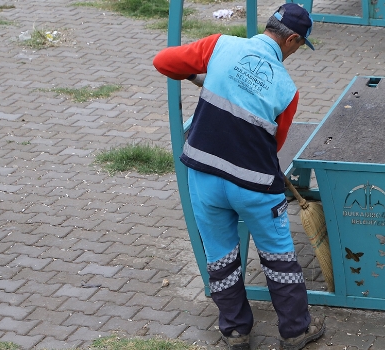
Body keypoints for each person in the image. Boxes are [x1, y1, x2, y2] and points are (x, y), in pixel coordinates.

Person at [153, 3, 325, 350]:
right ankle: (295, 331)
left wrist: (198, 75)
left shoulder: (221, 46)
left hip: (205, 177)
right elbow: (274, 142)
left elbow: (163, 62)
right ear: (291, 39)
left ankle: (235, 332)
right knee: (278, 257)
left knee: (220, 256)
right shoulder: (288, 90)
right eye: (297, 46)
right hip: (255, 186)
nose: (294, 53)